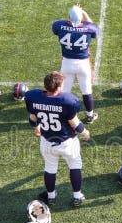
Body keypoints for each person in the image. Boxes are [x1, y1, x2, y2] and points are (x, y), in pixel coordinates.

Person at [25, 71, 90, 206]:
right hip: (67, 142)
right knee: (75, 166)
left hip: (47, 142)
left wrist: (37, 127)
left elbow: (32, 119)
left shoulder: (34, 97)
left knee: (50, 168)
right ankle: (77, 196)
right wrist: (85, 132)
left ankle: (51, 197)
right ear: (59, 87)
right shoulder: (67, 101)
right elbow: (75, 124)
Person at [52, 5, 99, 123]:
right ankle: (90, 115)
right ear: (81, 17)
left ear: (69, 17)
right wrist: (83, 13)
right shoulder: (88, 28)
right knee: (87, 91)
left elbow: (59, 26)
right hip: (83, 64)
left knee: (64, 91)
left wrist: (73, 16)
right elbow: (94, 28)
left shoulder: (59, 25)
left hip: (67, 63)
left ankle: (62, 115)